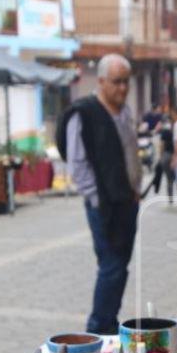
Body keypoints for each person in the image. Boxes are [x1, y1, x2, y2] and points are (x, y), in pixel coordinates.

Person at [56, 53, 140, 335]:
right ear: (102, 81)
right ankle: (97, 329)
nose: (123, 88)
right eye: (117, 82)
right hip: (104, 206)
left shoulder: (125, 111)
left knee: (121, 267)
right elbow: (78, 165)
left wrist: (135, 189)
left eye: (126, 82)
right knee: (111, 266)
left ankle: (109, 322)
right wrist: (96, 199)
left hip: (127, 202)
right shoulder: (84, 113)